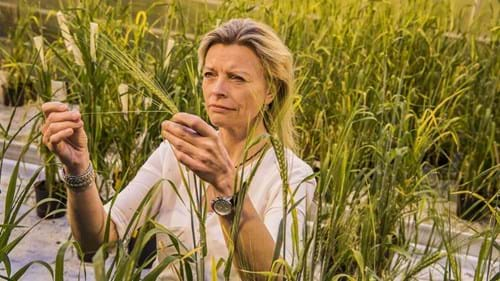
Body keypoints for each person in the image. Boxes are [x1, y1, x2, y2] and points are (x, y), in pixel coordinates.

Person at [40, 18, 315, 280]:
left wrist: (226, 186)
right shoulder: (176, 153)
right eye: (210, 74)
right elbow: (98, 237)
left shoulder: (290, 175)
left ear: (271, 90)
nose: (217, 89)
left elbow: (277, 276)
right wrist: (78, 170)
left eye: (237, 78)